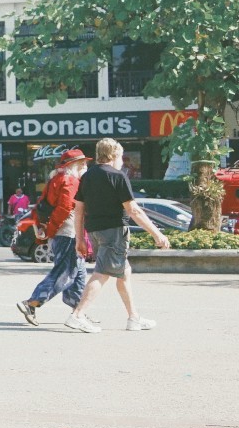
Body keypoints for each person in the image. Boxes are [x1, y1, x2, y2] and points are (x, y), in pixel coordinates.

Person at [65, 137, 170, 333]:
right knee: (102, 273)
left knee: (124, 273)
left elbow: (79, 210)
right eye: (121, 156)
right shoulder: (117, 176)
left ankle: (133, 318)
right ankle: (77, 315)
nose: (122, 160)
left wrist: (80, 239)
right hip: (114, 232)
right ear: (114, 155)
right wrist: (157, 234)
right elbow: (134, 211)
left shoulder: (87, 177)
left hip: (94, 231)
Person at [14, 150, 88, 326]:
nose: (85, 166)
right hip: (68, 232)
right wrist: (51, 230)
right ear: (72, 166)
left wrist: (45, 230)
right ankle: (32, 302)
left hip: (63, 233)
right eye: (82, 164)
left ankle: (78, 312)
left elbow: (41, 206)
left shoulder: (55, 180)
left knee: (79, 273)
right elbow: (64, 208)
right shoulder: (71, 181)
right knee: (65, 272)